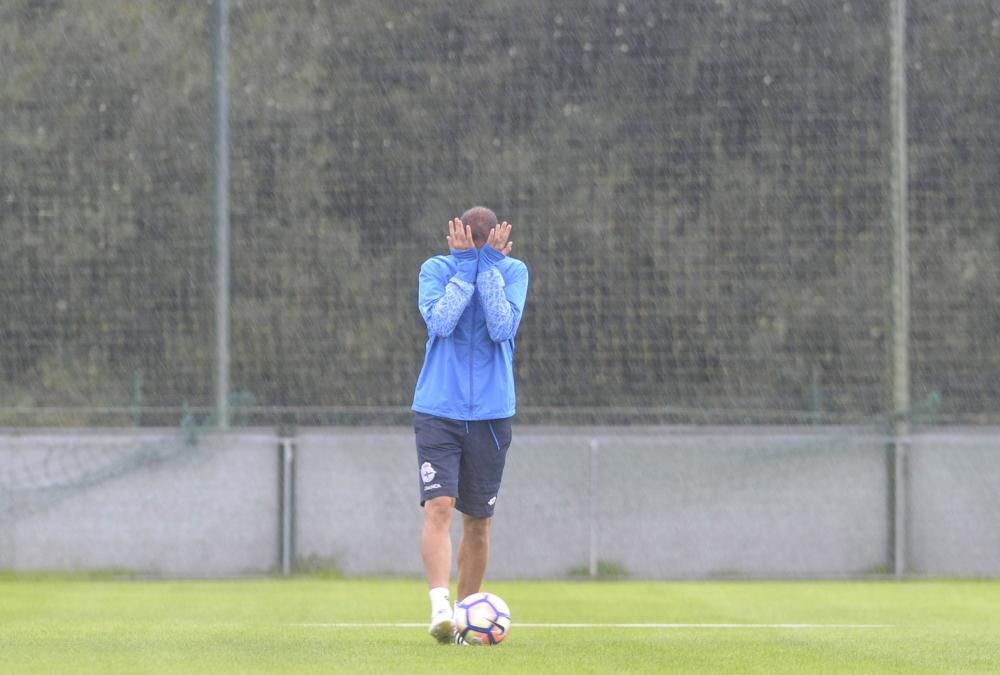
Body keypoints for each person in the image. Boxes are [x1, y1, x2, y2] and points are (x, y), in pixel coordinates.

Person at [411, 206, 529, 644]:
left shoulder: (513, 271)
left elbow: (501, 327)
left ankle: (465, 619)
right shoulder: (436, 269)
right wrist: (464, 268)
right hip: (438, 408)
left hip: (492, 416)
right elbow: (440, 321)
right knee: (439, 505)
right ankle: (440, 608)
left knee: (478, 521)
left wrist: (489, 269)